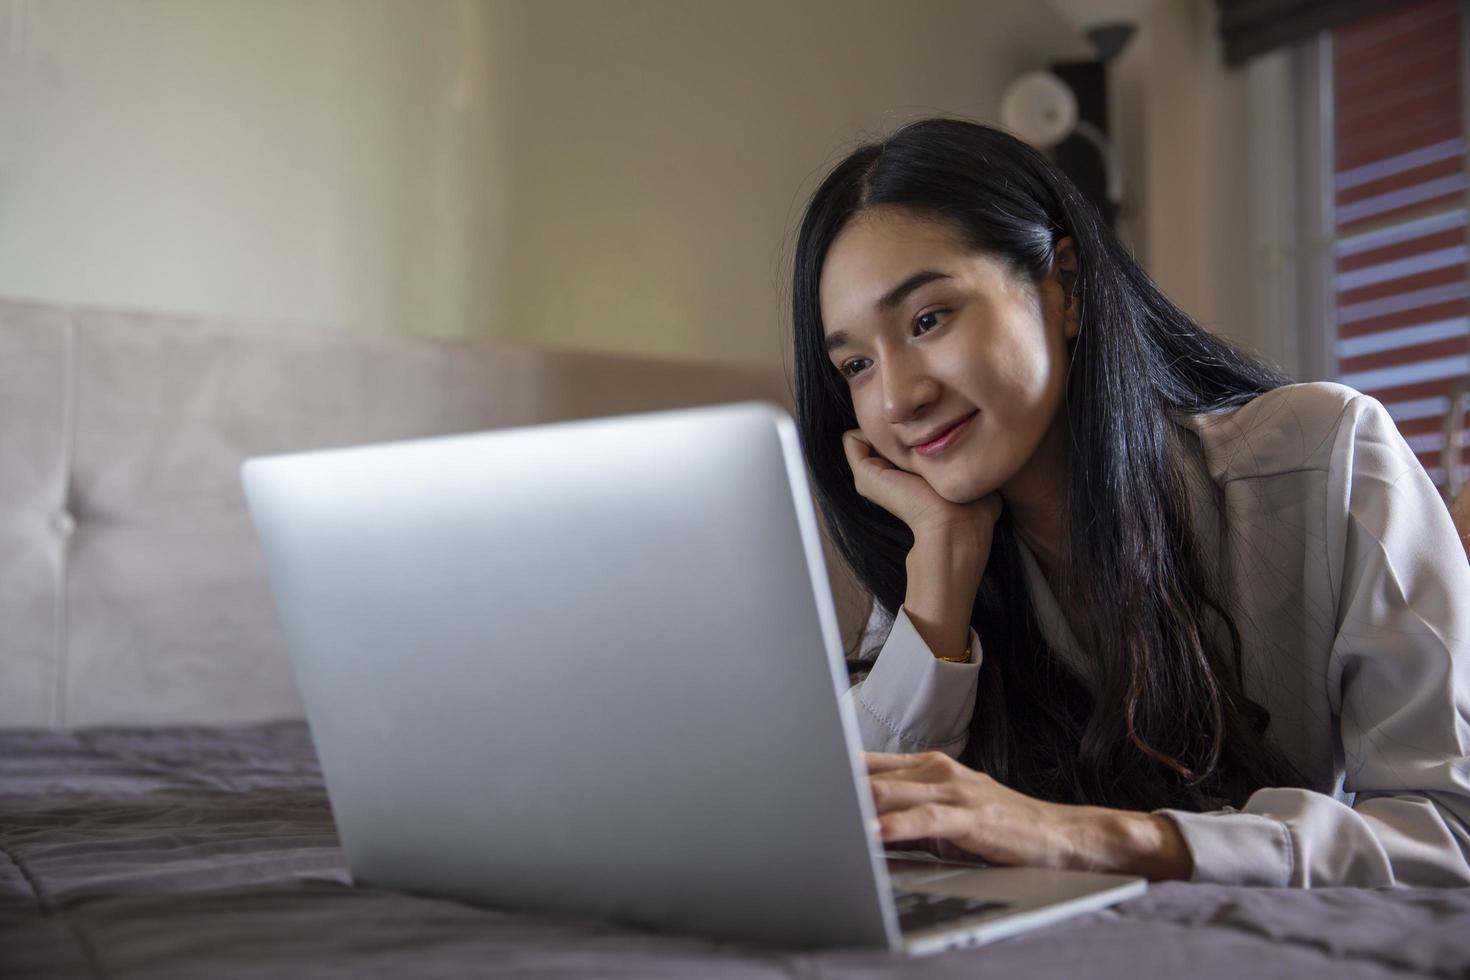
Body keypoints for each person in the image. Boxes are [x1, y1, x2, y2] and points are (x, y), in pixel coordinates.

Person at [789, 117, 1470, 888]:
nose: (900, 399)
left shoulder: (1328, 457)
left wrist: (1098, 837)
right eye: (855, 363)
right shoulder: (937, 536)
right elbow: (848, 824)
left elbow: (1450, 834)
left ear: (1066, 288)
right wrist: (941, 568)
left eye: (928, 319)